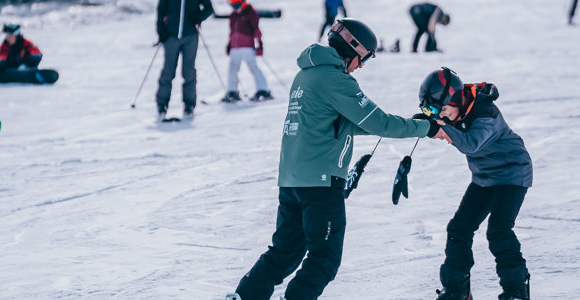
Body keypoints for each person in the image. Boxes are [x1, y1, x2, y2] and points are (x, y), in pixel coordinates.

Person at [225, 18, 444, 300]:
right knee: (324, 259)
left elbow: (342, 124)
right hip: (321, 184)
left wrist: (410, 124)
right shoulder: (336, 80)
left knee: (284, 252)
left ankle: (245, 296)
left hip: (292, 180)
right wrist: (427, 127)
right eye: (363, 58)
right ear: (351, 49)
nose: (361, 66)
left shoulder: (306, 75)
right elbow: (379, 123)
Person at [416, 68, 532, 300]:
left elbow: (471, 144)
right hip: (484, 178)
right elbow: (444, 125)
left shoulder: (485, 112)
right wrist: (428, 123)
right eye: (433, 111)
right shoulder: (456, 113)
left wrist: (441, 127)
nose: (442, 116)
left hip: (512, 174)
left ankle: (516, 291)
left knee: (499, 231)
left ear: (456, 99)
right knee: (459, 229)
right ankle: (457, 290)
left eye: (443, 111)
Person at [155, 0, 213, 120]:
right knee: (168, 71)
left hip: (190, 36)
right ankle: (162, 105)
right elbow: (161, 10)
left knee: (188, 71)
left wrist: (197, 18)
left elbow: (209, 8)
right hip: (171, 36)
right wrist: (161, 30)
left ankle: (189, 105)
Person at [221, 0, 273, 103]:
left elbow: (256, 30)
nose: (234, 8)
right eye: (232, 6)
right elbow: (231, 32)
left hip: (247, 47)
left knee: (253, 67)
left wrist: (260, 45)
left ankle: (263, 89)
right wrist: (229, 45)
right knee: (232, 69)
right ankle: (232, 91)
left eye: (235, 5)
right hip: (235, 48)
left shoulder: (250, 12)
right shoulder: (233, 15)